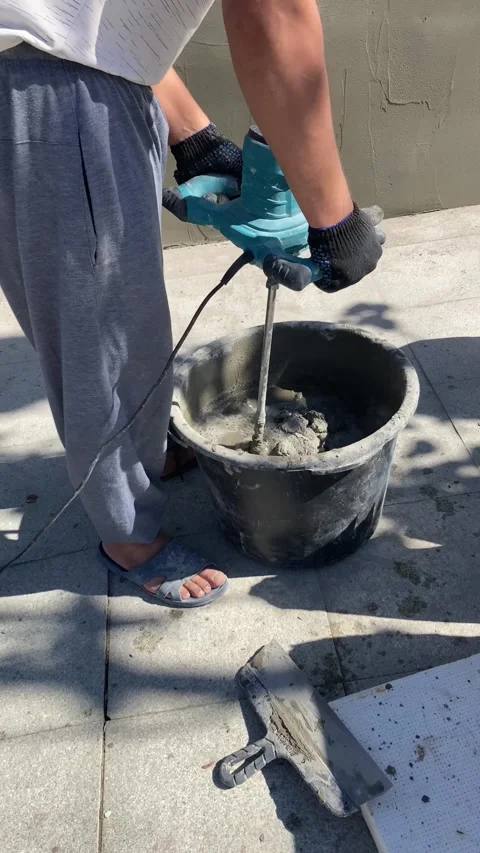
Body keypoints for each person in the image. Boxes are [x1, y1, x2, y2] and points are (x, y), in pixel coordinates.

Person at [0, 1, 382, 608]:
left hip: (86, 82)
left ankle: (140, 456)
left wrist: (195, 138)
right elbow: (274, 12)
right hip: (48, 97)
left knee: (130, 321)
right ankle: (127, 536)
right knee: (99, 337)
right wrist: (335, 220)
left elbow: (99, 22)